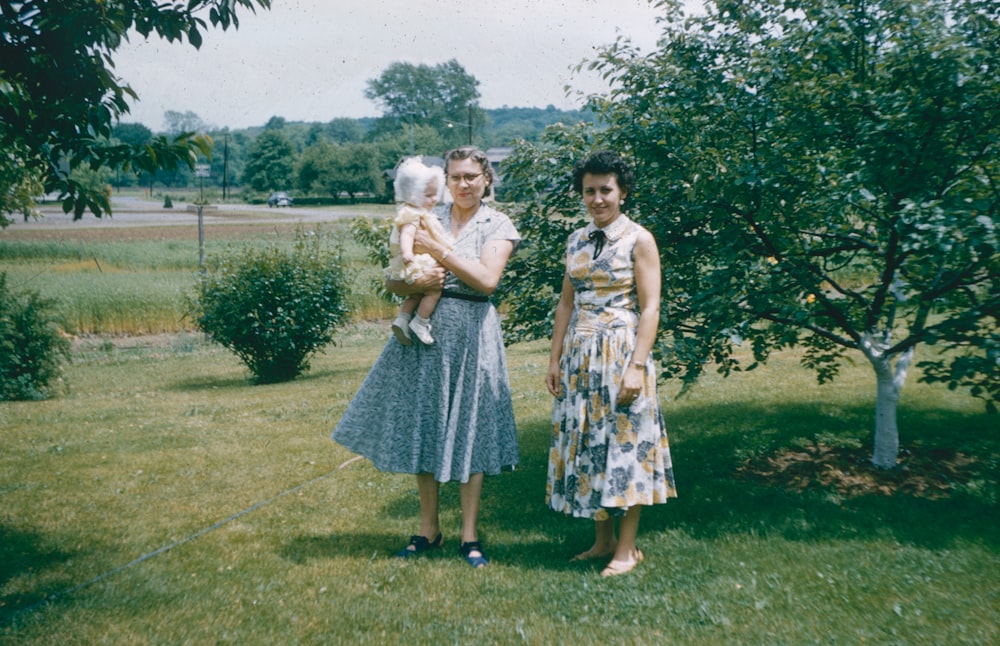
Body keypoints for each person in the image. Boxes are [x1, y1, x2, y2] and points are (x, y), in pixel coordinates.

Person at [332, 146, 521, 569]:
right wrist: (411, 278)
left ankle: (469, 535)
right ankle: (428, 529)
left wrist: (438, 255)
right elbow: (394, 281)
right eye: (455, 177)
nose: (464, 184)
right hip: (425, 334)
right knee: (426, 425)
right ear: (445, 180)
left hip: (472, 333)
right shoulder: (425, 214)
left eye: (472, 176)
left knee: (471, 428)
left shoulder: (498, 224)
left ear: (487, 178)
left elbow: (488, 281)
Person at [545, 150, 677, 577]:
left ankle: (627, 548)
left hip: (621, 353)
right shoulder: (576, 240)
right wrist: (555, 359)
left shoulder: (639, 239)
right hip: (581, 357)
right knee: (589, 445)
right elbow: (566, 302)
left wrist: (637, 365)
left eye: (606, 190)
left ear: (622, 192)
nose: (597, 199)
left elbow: (652, 305)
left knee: (625, 446)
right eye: (589, 191)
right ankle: (602, 542)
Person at [386, 157, 451, 345]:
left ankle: (403, 319)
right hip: (419, 260)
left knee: (415, 294)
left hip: (419, 259)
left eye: (435, 194)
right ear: (413, 194)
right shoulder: (413, 214)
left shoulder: (418, 212)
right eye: (428, 195)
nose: (434, 199)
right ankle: (421, 322)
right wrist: (407, 252)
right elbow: (407, 234)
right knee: (433, 291)